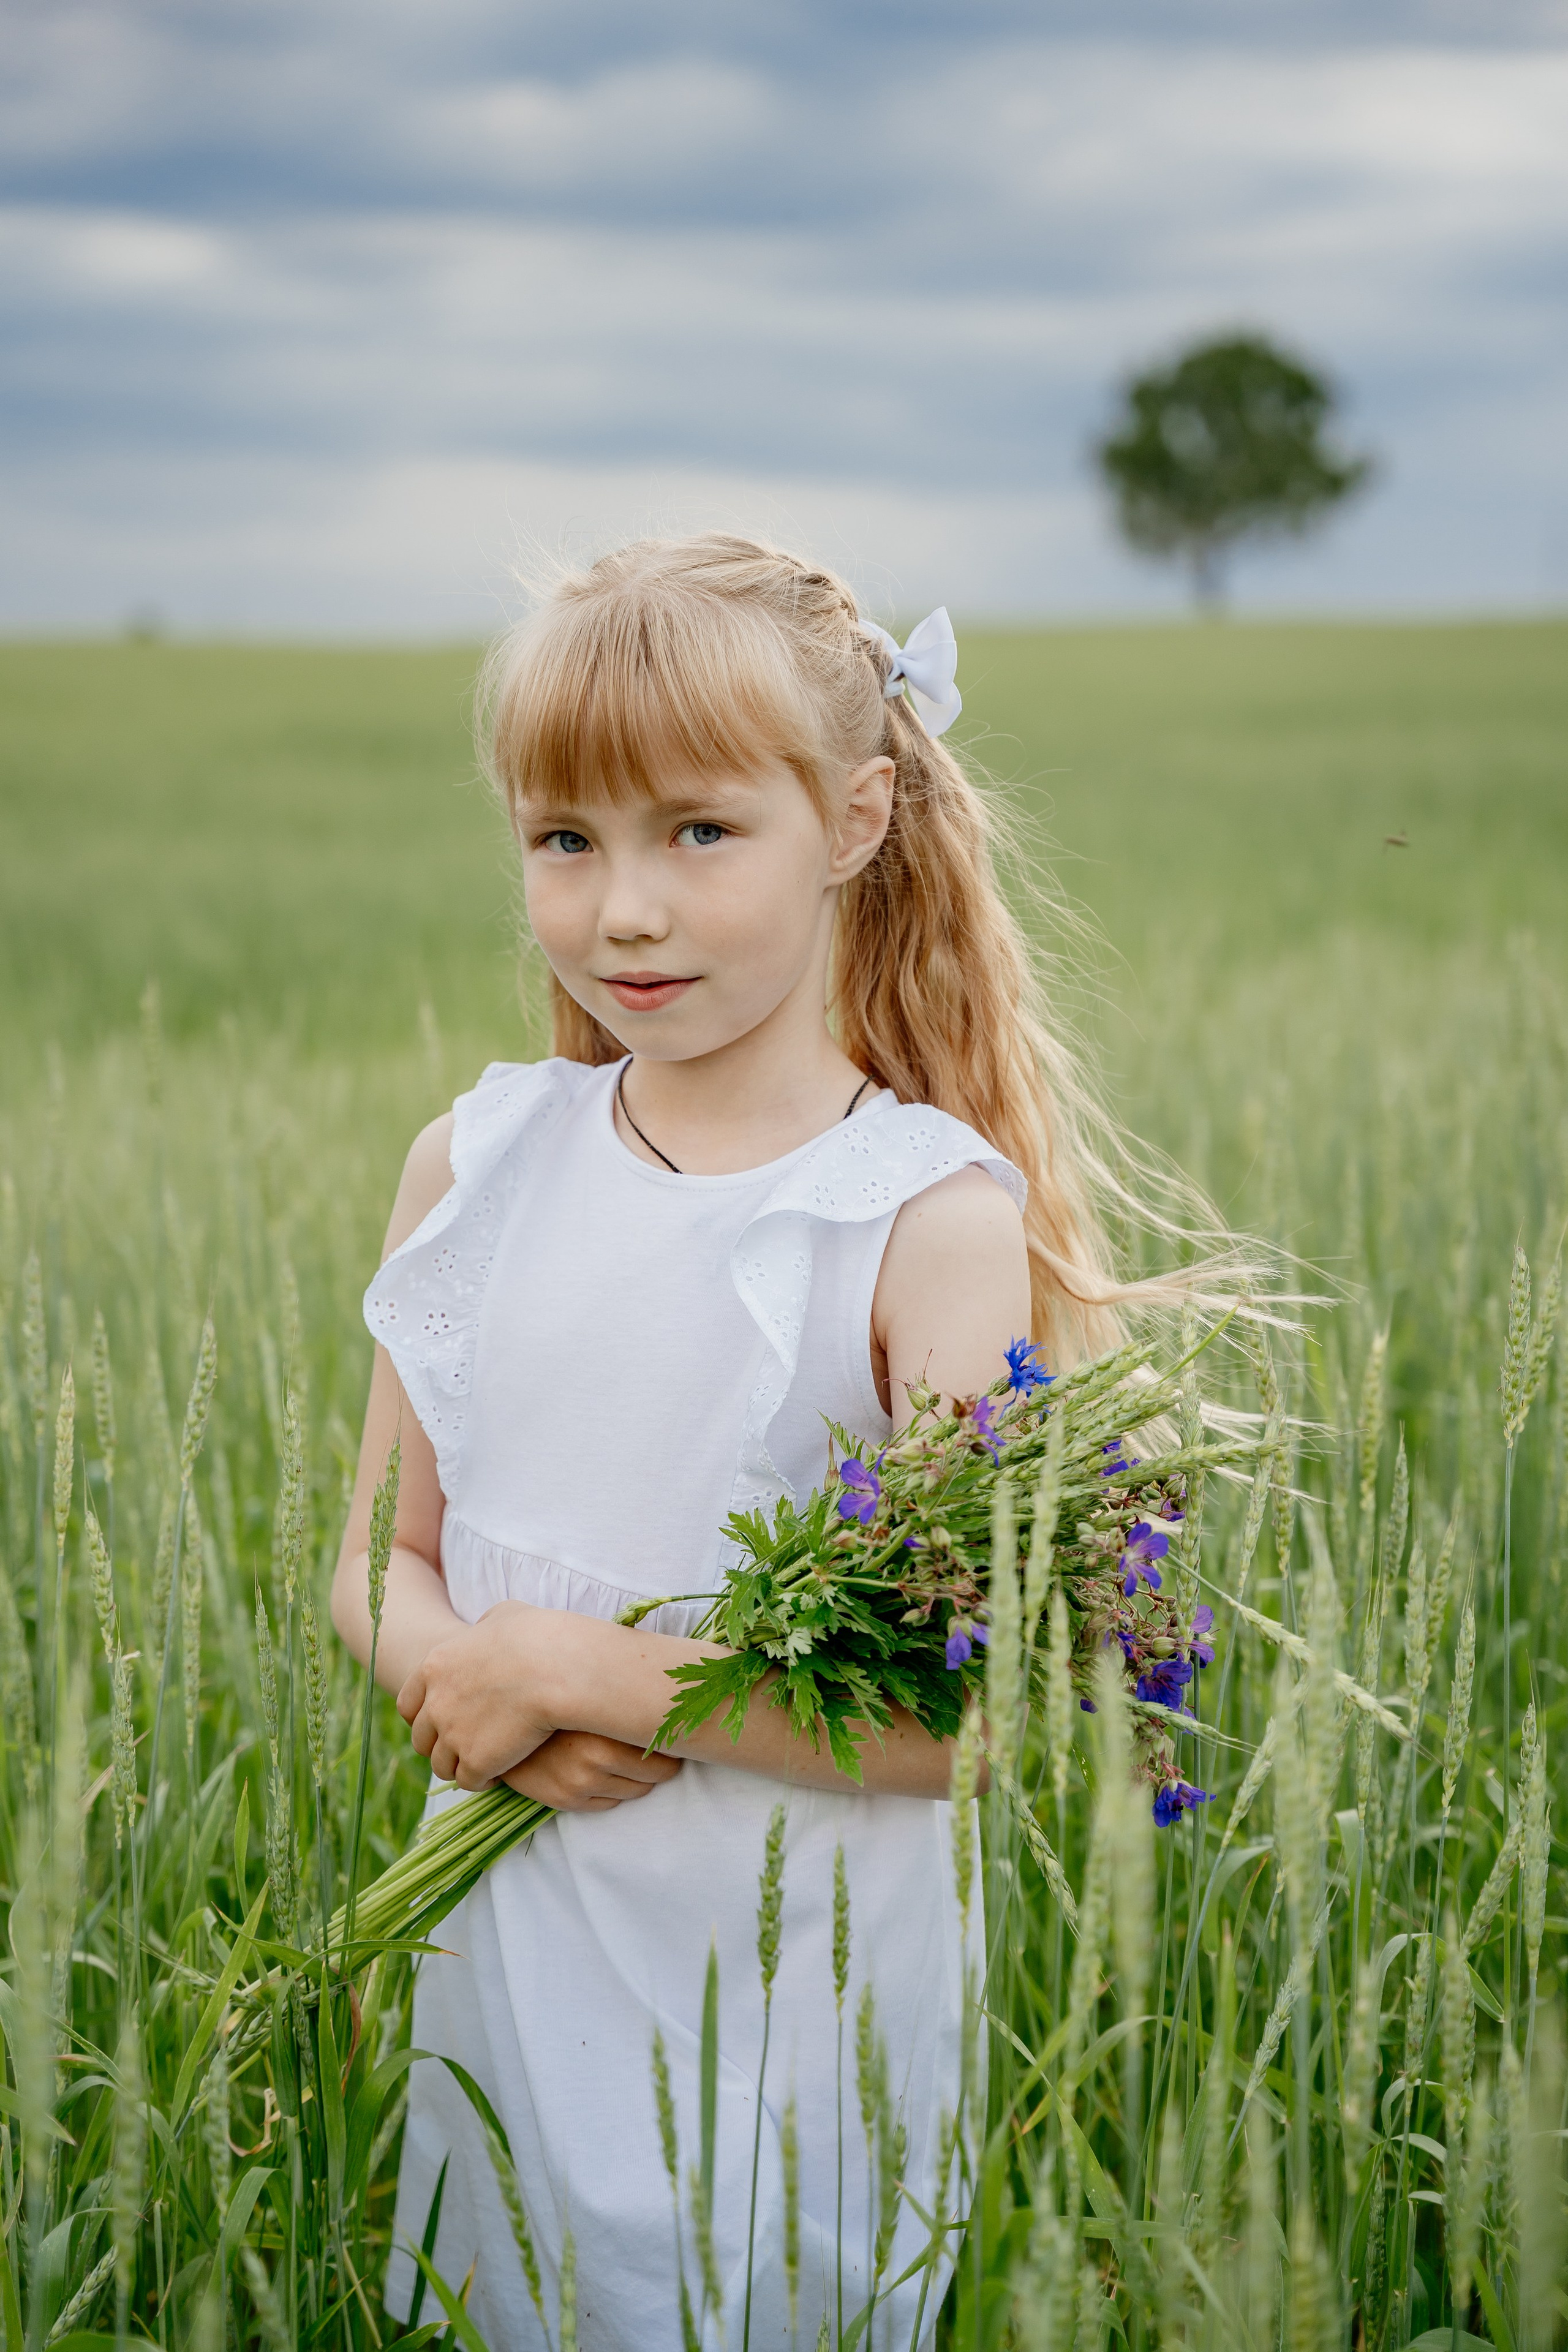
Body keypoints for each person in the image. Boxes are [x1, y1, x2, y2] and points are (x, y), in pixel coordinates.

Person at [330, 535, 1214, 2350]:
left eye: (698, 833)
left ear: (856, 820)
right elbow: (375, 1558)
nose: (624, 911)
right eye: (564, 840)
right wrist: (469, 1683)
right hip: (512, 1942)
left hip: (785, 1994)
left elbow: (967, 1726)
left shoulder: (921, 1219)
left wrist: (581, 1671)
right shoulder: (473, 1166)